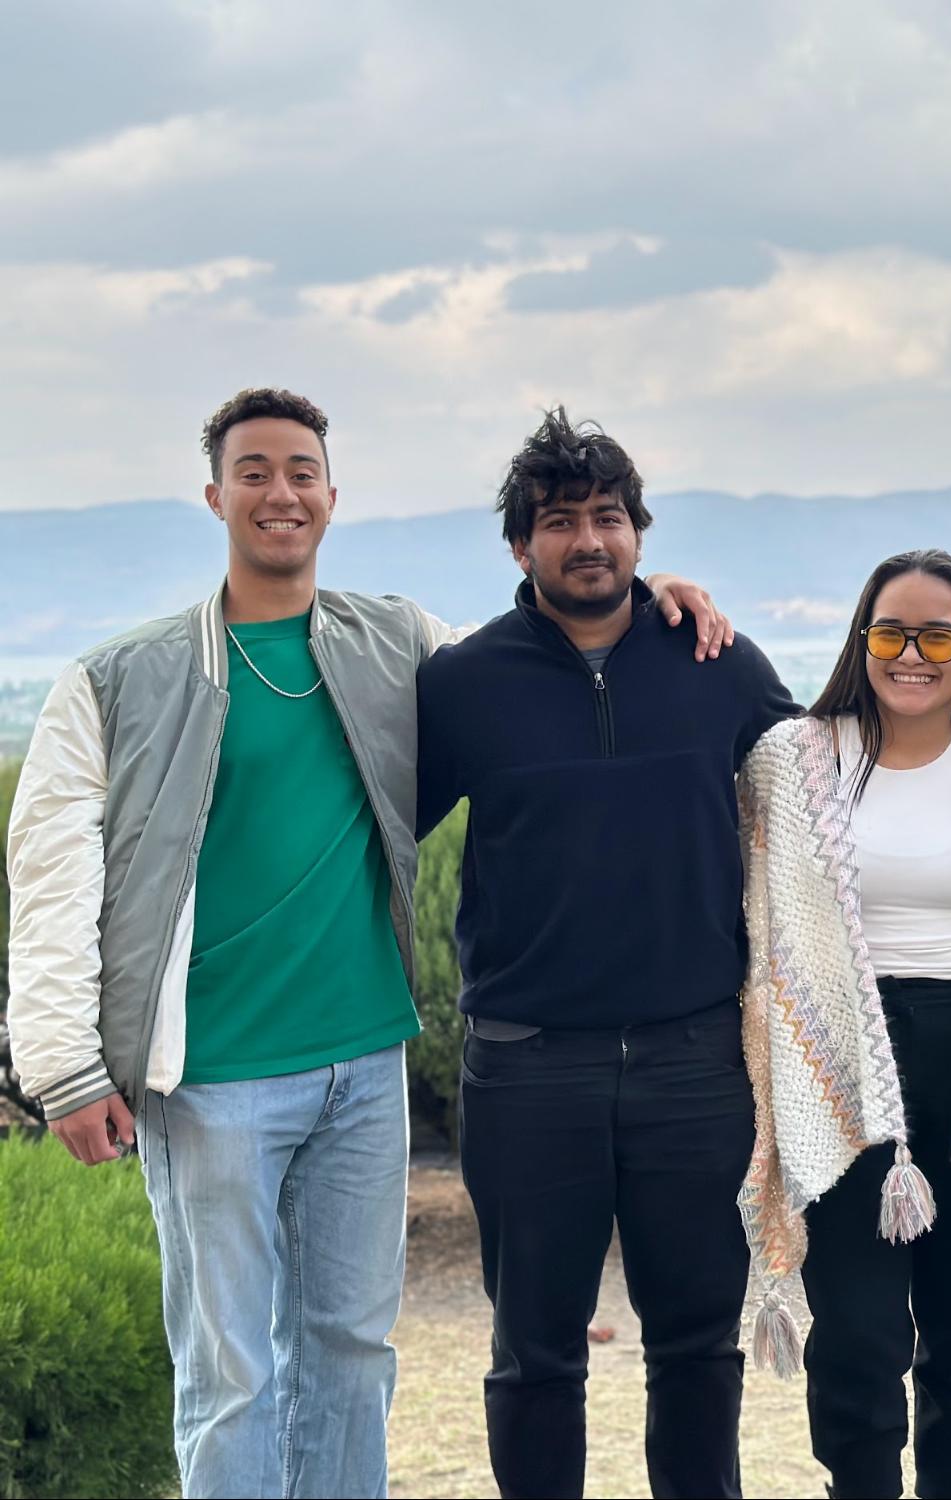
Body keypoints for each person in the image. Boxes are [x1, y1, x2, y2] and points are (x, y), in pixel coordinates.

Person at [3, 388, 726, 1500]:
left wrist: (648, 607)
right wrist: (64, 1068)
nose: (279, 492)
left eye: (301, 472)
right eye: (254, 472)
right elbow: (51, 881)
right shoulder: (117, 681)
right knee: (230, 1372)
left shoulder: (392, 644)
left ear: (331, 498)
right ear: (215, 496)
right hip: (209, 1079)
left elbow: (534, 656)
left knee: (351, 1357)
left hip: (363, 1065)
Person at [414, 407, 795, 1500]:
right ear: (520, 544)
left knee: (696, 1351)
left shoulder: (714, 658)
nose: (589, 540)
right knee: (534, 1355)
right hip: (528, 1065)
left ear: (641, 533)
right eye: (560, 521)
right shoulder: (466, 682)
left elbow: (820, 791)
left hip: (695, 1061)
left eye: (609, 517)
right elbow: (375, 835)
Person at [735, 548, 951, 1500]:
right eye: (890, 633)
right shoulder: (793, 763)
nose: (911, 655)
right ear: (861, 641)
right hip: (837, 1067)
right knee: (856, 1335)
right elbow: (756, 913)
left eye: (937, 636)